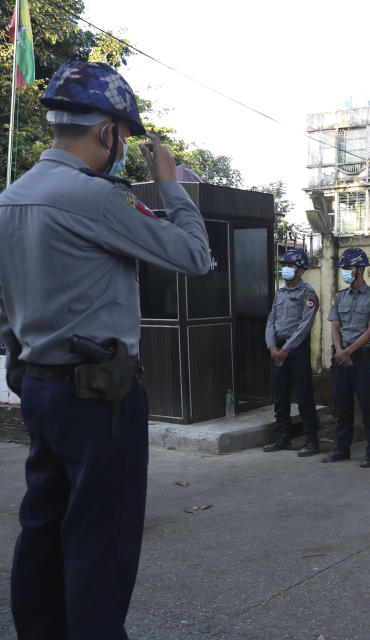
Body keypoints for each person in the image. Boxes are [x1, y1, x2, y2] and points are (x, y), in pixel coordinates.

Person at [0, 61, 210, 638]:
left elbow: (5, 307)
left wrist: (24, 366)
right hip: (100, 399)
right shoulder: (94, 199)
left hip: (40, 389)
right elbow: (195, 255)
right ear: (107, 133)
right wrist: (173, 186)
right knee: (100, 541)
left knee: (42, 528)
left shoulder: (11, 198)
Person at [323, 248, 370, 467]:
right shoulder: (339, 297)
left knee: (367, 405)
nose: (345, 272)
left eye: (348, 268)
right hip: (341, 358)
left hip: (363, 358)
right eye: (344, 269)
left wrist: (349, 352)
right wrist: (340, 351)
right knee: (342, 405)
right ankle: (342, 449)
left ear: (359, 270)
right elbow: (335, 326)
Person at [263, 249, 322, 456]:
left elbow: (305, 326)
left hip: (296, 350)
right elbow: (271, 321)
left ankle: (311, 441)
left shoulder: (308, 294)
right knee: (280, 396)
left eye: (291, 266)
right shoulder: (280, 293)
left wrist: (286, 349)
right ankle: (282, 437)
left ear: (301, 271)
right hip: (277, 350)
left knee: (304, 396)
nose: (286, 269)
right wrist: (272, 347)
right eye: (284, 265)